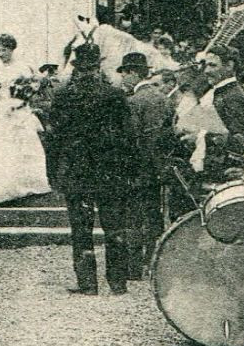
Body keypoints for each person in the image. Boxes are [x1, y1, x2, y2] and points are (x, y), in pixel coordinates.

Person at [48, 43, 133, 296]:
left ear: (77, 68)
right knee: (115, 227)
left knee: (81, 229)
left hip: (78, 172)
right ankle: (118, 283)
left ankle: (88, 284)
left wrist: (54, 173)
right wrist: (128, 170)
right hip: (110, 172)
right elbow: (128, 137)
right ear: (98, 67)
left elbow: (54, 139)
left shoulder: (64, 96)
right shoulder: (115, 95)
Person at [118, 51, 175, 274]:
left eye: (124, 73)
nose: (123, 78)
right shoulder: (164, 99)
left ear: (133, 73)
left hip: (137, 168)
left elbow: (130, 138)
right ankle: (155, 262)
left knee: (133, 216)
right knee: (154, 215)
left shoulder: (133, 101)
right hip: (158, 167)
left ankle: (133, 267)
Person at [0, 33, 50, 207]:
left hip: (19, 110)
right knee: (2, 149)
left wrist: (19, 103)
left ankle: (27, 184)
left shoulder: (22, 67)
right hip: (4, 110)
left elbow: (30, 90)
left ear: (11, 49)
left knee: (23, 147)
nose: (1, 54)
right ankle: (1, 188)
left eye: (3, 50)